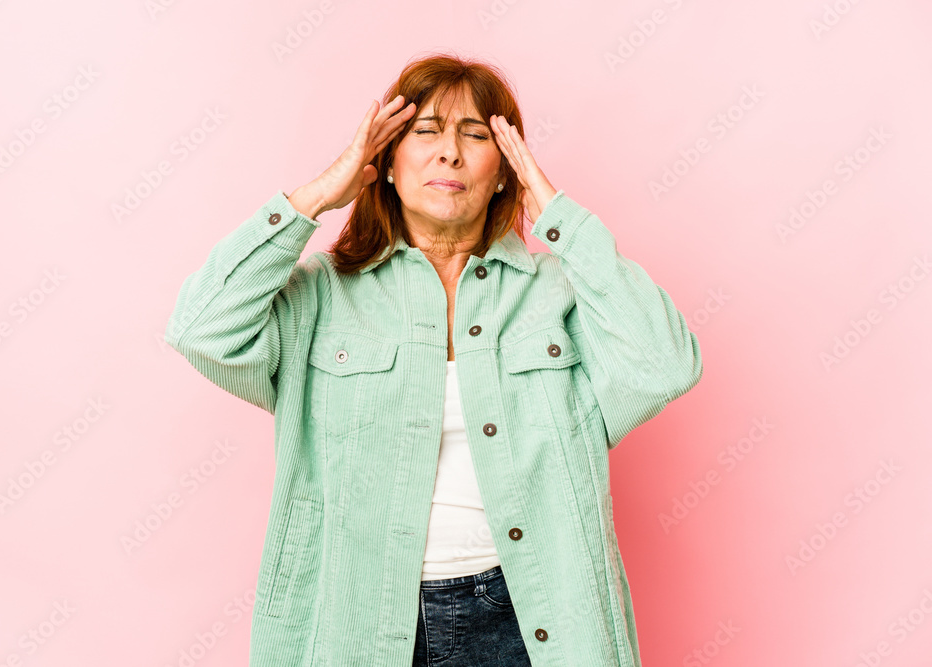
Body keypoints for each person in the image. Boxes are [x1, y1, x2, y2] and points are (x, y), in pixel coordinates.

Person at [165, 52, 703, 667]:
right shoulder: (322, 294)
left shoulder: (557, 291)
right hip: (357, 625)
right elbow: (201, 329)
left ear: (503, 173)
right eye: (426, 131)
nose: (449, 152)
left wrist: (559, 214)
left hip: (531, 623)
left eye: (475, 135)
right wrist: (315, 197)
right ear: (387, 165)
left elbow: (666, 364)